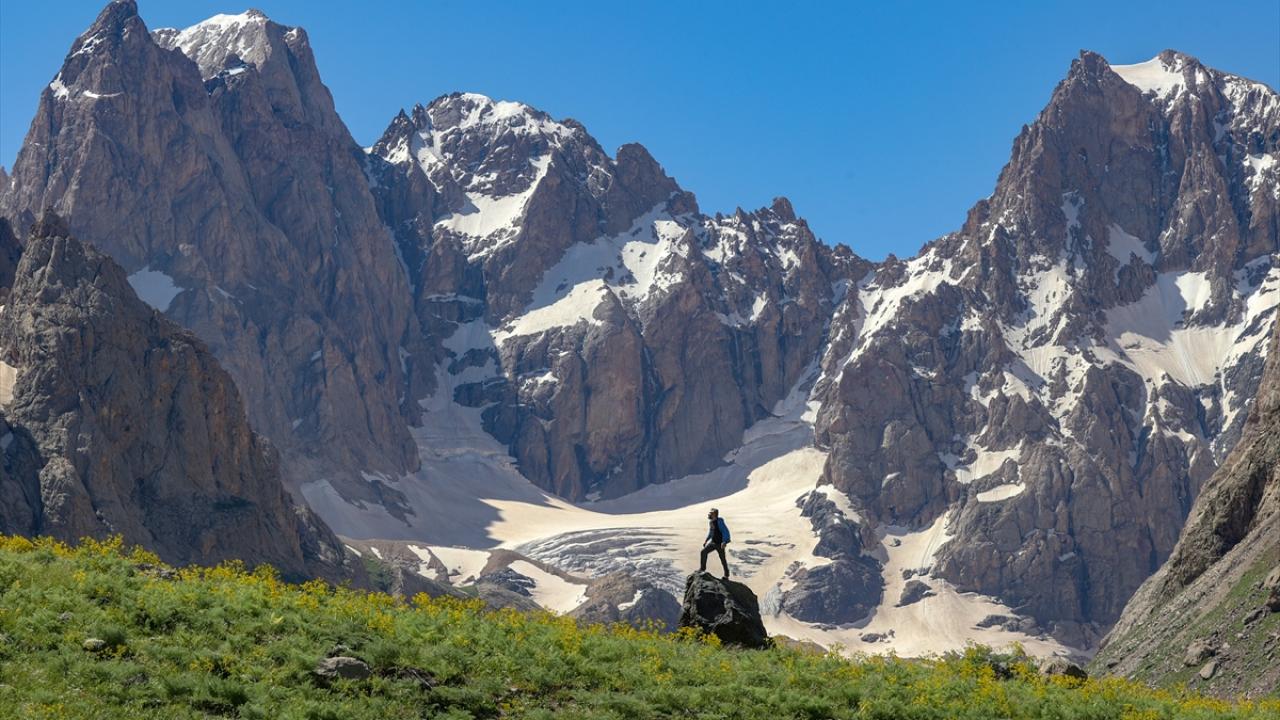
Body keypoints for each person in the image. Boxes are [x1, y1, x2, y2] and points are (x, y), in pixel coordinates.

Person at [700, 508, 731, 578]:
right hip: (713, 543)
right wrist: (706, 540)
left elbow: (725, 531)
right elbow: (711, 532)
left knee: (723, 559)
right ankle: (702, 569)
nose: (709, 514)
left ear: (715, 514)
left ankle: (726, 574)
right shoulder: (711, 522)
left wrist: (725, 541)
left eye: (711, 513)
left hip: (720, 544)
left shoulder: (720, 522)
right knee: (703, 552)